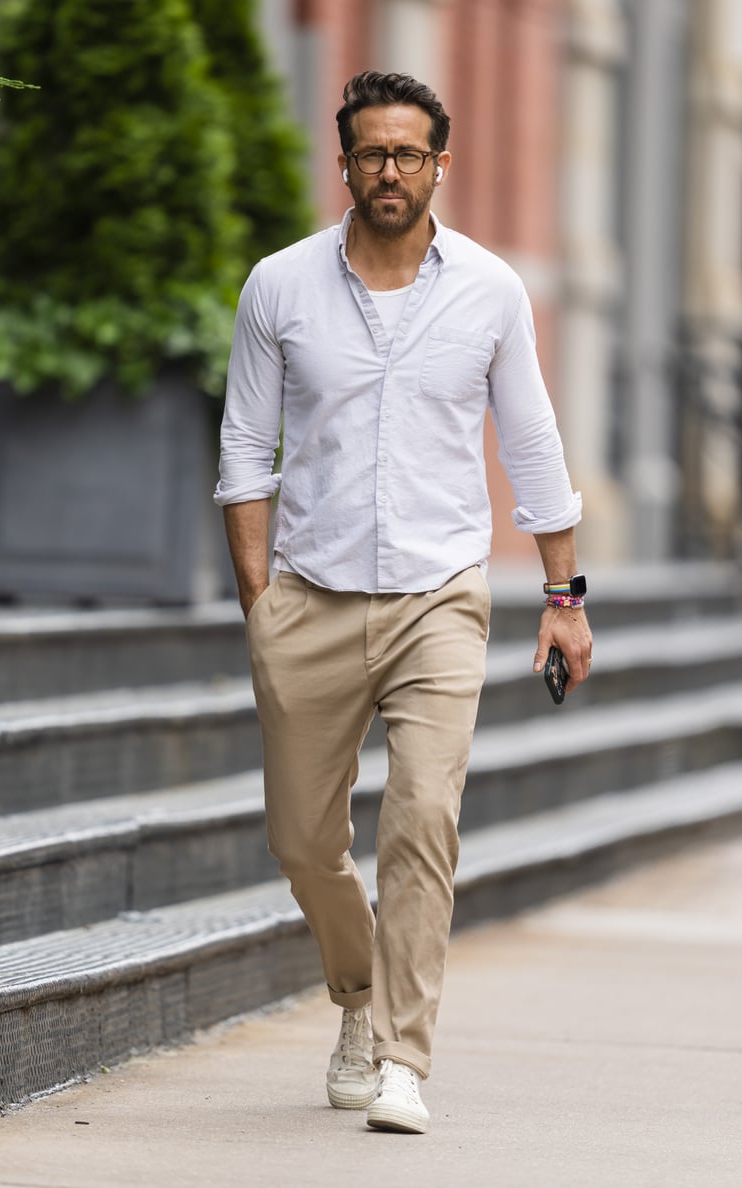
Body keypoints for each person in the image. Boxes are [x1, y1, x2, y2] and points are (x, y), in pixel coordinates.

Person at [215, 70, 593, 1135]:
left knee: (424, 819)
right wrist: (261, 602)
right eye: (372, 154)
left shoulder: (489, 291)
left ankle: (402, 1059)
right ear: (345, 165)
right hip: (312, 597)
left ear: (440, 163)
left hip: (440, 595)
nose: (391, 171)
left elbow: (532, 447)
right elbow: (245, 452)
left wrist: (563, 595)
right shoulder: (280, 287)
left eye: (409, 154)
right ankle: (355, 993)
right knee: (302, 842)